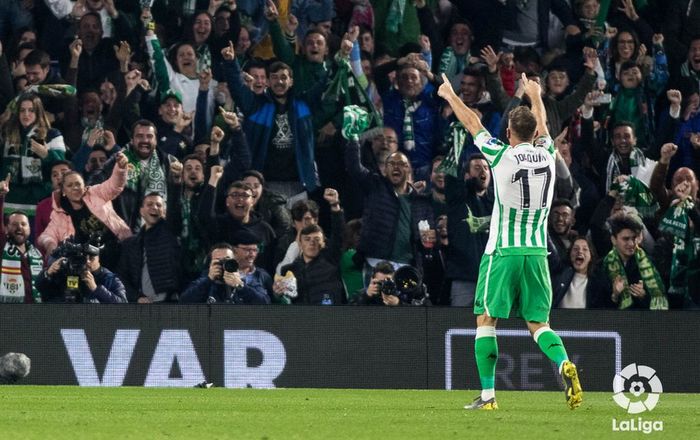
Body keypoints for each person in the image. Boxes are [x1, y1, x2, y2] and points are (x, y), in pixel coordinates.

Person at [438, 72, 582, 410]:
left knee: (487, 320)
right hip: (537, 253)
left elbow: (473, 123)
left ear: (508, 132)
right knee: (539, 324)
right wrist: (535, 93)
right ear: (534, 133)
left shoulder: (501, 155)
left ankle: (488, 396)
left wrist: (450, 95)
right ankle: (563, 364)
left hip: (503, 251)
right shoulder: (547, 153)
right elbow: (545, 128)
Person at [38, 154, 132, 269]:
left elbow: (114, 185)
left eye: (78, 184)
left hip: (119, 249)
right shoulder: (59, 212)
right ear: (63, 191)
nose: (75, 188)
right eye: (70, 185)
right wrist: (50, 245)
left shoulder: (96, 192)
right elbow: (47, 235)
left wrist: (121, 168)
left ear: (84, 186)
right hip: (89, 263)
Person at [118, 192, 182, 303]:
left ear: (164, 211)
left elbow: (175, 209)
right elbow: (122, 277)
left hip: (169, 304)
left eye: (159, 205)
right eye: (150, 204)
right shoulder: (130, 244)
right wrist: (136, 298)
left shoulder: (170, 232)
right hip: (142, 306)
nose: (154, 207)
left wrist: (174, 183)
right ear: (141, 211)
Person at [180, 235, 272, 305]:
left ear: (234, 261)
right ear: (210, 264)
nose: (223, 265)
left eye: (227, 260)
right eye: (218, 261)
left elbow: (265, 302)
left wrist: (240, 286)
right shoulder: (204, 280)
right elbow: (184, 301)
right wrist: (208, 280)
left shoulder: (245, 280)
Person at [601, 214, 668, 310]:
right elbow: (597, 306)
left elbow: (659, 299)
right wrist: (615, 295)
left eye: (633, 238)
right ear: (614, 240)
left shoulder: (651, 262)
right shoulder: (603, 266)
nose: (631, 243)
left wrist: (644, 296)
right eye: (626, 239)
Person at [37, 240, 127, 303]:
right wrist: (47, 273)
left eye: (91, 258)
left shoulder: (108, 278)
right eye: (84, 258)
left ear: (99, 258)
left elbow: (123, 305)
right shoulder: (68, 272)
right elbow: (40, 288)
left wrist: (96, 289)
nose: (87, 262)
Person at [0, 176, 44, 303]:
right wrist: (1, 197)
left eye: (23, 224)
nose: (19, 227)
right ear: (7, 229)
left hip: (34, 313)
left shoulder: (37, 254)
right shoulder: (2, 247)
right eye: (14, 224)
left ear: (30, 229)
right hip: (7, 313)